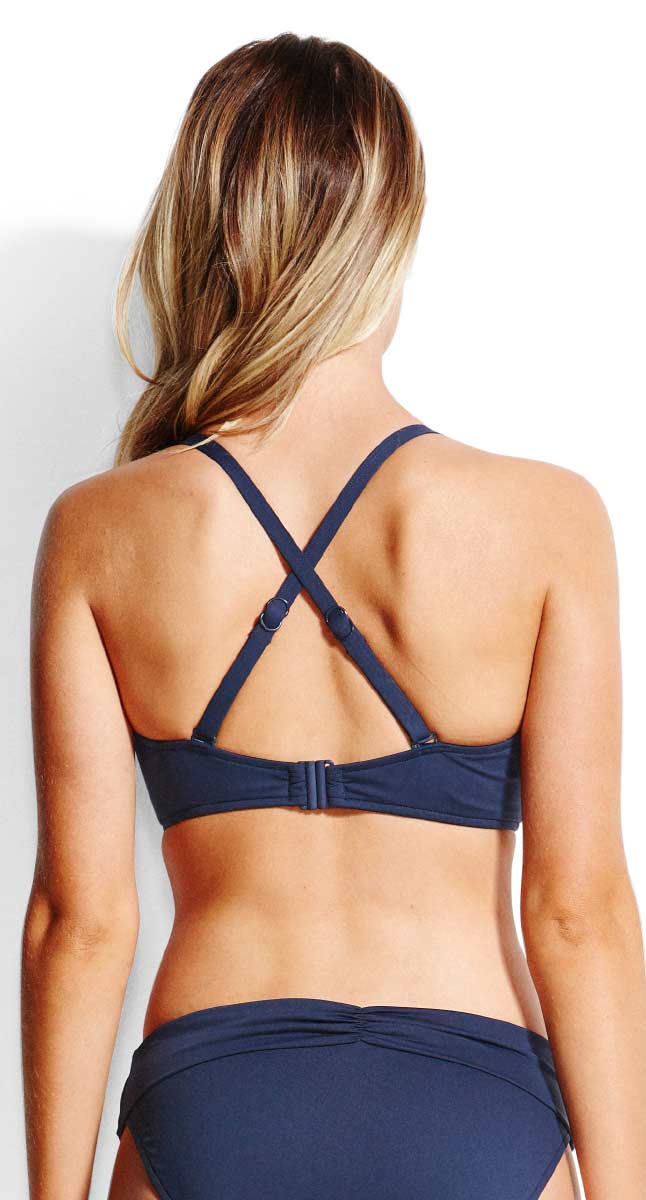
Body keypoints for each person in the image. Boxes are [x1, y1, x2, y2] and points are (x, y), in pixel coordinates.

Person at [22, 32, 646, 1200]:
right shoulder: (545, 521)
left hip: (215, 1096)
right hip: (478, 1102)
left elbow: (81, 922)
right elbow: (578, 913)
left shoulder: (102, 531)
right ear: (388, 234)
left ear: (205, 232)